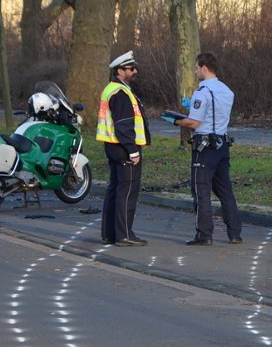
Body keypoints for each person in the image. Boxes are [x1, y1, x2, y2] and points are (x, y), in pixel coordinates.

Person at [168, 52, 242, 245]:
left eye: (196, 67)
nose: (195, 71)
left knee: (201, 190)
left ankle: (204, 234)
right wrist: (192, 104)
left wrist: (175, 121)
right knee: (225, 190)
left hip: (205, 147)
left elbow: (193, 122)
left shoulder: (202, 91)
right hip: (222, 144)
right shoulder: (227, 90)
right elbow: (215, 112)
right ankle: (235, 233)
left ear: (204, 67)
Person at [97, 50, 151, 246]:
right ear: (120, 70)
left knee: (115, 189)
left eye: (134, 68)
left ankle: (110, 233)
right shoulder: (120, 93)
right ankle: (124, 234)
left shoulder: (112, 89)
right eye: (130, 68)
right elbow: (124, 124)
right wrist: (133, 150)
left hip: (112, 146)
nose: (134, 71)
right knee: (127, 191)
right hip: (124, 147)